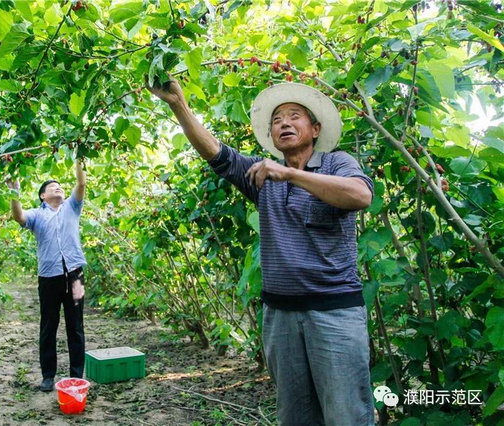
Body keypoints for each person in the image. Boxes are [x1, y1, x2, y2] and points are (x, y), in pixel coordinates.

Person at [148, 80, 374, 425]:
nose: (284, 122)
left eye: (294, 116)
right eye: (277, 118)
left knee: (346, 415)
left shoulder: (336, 163)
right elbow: (216, 154)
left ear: (315, 129)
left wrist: (289, 174)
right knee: (295, 416)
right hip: (280, 317)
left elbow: (360, 196)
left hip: (334, 314)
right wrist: (178, 105)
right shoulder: (261, 175)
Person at [7, 160, 87, 392]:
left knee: (76, 325)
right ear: (43, 196)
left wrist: (79, 157)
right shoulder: (36, 215)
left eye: (60, 185)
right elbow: (18, 216)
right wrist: (14, 191)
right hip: (48, 278)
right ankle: (48, 376)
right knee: (48, 326)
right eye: (52, 186)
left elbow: (81, 183)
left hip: (75, 276)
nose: (58, 187)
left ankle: (76, 376)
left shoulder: (72, 207)